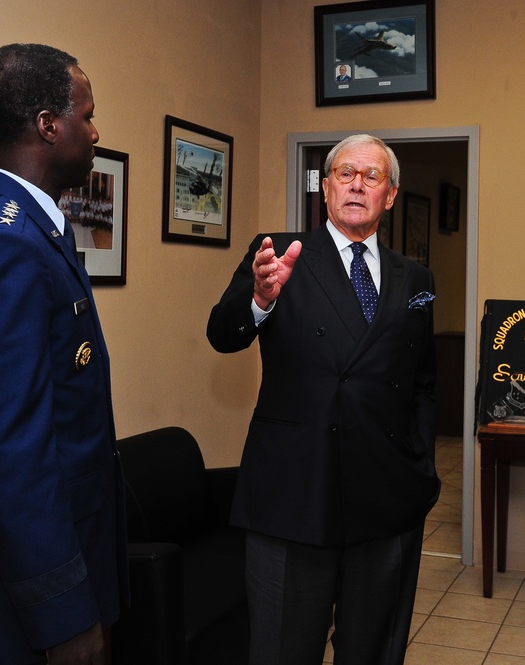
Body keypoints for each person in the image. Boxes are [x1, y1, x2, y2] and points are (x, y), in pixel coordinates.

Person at [0, 43, 127, 665]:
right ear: (47, 125)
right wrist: (64, 615)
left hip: (58, 565)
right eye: (87, 116)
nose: (95, 131)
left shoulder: (27, 230)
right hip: (20, 607)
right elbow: (9, 453)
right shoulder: (1, 244)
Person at [207, 134, 439, 665]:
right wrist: (260, 299)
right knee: (284, 649)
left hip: (386, 497)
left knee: (373, 650)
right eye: (344, 173)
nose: (357, 184)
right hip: (294, 494)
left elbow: (423, 381)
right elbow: (223, 334)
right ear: (326, 187)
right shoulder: (278, 253)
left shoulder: (416, 278)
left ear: (391, 194)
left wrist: (419, 465)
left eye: (372, 176)